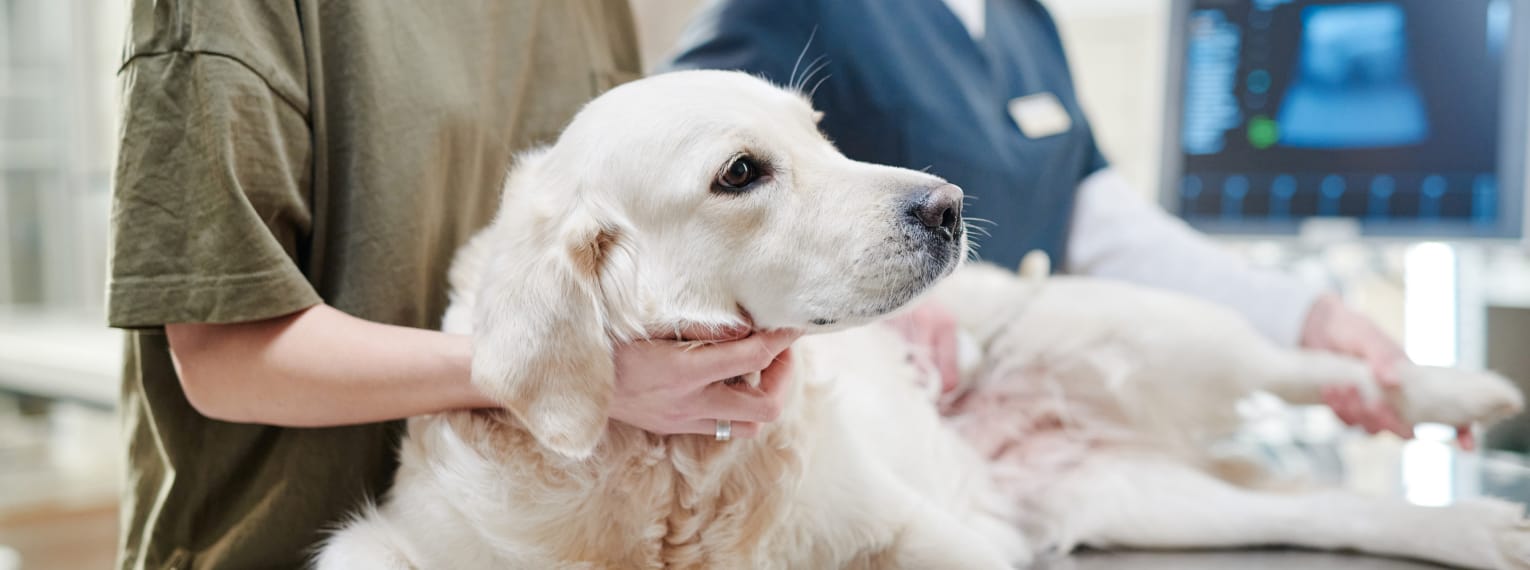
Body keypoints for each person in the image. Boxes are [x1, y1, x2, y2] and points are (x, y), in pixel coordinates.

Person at [107, 2, 797, 567]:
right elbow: (224, 358)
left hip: (532, 541)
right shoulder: (223, 14)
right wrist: (559, 368)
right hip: (283, 546)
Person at [666, 0, 1469, 445]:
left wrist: (1313, 318)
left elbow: (1104, 224)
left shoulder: (1026, 22)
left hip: (1030, 424)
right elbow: (673, 210)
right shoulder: (787, 10)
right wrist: (879, 321)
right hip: (881, 440)